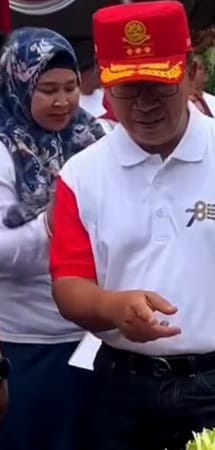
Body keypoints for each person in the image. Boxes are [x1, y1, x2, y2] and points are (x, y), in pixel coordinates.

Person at [50, 3, 215, 450]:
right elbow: (68, 285)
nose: (143, 104)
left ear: (191, 74)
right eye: (127, 89)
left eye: (158, 85)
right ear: (106, 86)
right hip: (122, 388)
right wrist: (113, 307)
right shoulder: (82, 174)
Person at [0, 27, 103, 450]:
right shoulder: (4, 149)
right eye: (47, 90)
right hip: (29, 343)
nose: (62, 101)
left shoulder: (94, 137)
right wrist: (51, 223)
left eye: (70, 87)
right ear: (18, 85)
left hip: (100, 334)